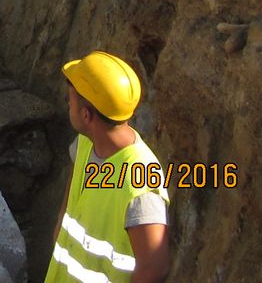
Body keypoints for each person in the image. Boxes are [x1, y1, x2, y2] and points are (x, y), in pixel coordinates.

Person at [44, 51, 170, 283]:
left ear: (85, 114)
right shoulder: (85, 143)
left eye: (70, 101)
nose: (67, 105)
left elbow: (154, 268)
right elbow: (70, 202)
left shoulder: (140, 182)